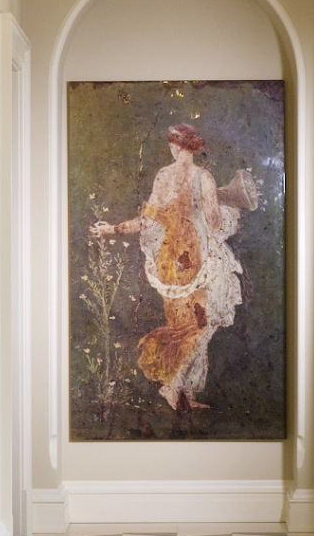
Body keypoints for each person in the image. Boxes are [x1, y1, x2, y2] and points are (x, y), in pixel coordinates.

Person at [89, 120, 258, 413]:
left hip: (170, 260)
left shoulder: (163, 176)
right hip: (193, 258)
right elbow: (215, 223)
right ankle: (173, 385)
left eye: (171, 143)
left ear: (176, 145)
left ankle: (185, 393)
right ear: (192, 146)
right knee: (201, 324)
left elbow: (147, 220)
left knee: (185, 325)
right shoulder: (203, 177)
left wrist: (112, 229)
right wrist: (227, 208)